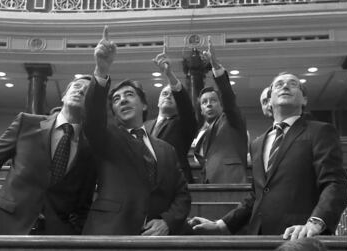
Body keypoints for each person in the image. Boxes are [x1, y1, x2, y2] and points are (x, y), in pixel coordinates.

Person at [188, 72, 347, 240]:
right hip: (259, 238)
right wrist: (222, 224)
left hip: (301, 238)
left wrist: (316, 222)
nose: (285, 86)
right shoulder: (258, 144)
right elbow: (257, 196)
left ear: (304, 100)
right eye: (278, 85)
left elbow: (334, 183)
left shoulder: (320, 131)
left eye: (293, 84)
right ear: (269, 100)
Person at [82, 26, 191, 235]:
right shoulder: (107, 136)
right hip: (110, 234)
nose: (122, 99)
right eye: (116, 99)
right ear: (113, 111)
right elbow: (92, 116)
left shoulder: (166, 149)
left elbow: (182, 194)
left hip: (156, 238)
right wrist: (102, 70)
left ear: (143, 105)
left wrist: (167, 222)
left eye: (129, 95)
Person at [0, 75, 97, 235]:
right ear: (64, 96)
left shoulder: (90, 149)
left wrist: (74, 231)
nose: (80, 90)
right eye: (77, 86)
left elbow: (83, 203)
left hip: (54, 236)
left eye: (88, 91)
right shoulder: (27, 123)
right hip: (4, 226)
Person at [193, 37, 248, 184]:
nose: (209, 104)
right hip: (209, 187)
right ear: (201, 110)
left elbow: (228, 96)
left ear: (221, 104)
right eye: (204, 102)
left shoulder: (231, 119)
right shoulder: (202, 131)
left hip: (232, 183)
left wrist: (215, 65)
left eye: (213, 100)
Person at [144, 46, 197, 183]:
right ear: (158, 102)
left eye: (172, 94)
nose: (168, 96)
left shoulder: (184, 123)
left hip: (175, 183)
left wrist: (169, 75)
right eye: (164, 93)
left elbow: (186, 106)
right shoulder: (145, 126)